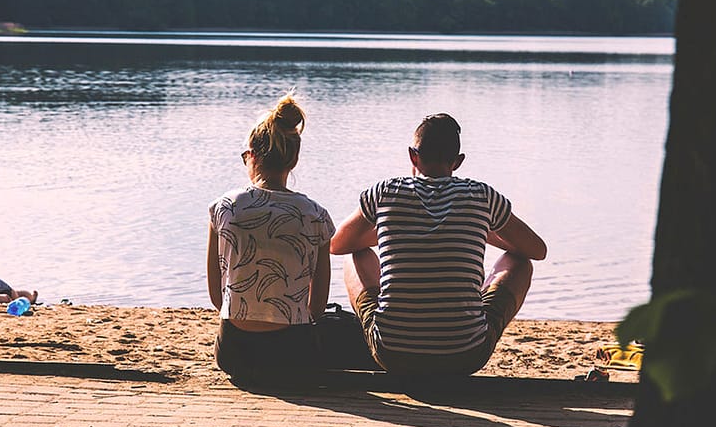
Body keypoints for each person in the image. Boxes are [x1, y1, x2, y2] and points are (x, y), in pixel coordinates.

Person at [329, 113, 547, 377]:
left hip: (392, 353)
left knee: (355, 254)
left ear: (413, 156)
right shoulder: (481, 196)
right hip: (466, 355)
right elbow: (537, 250)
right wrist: (481, 228)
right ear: (458, 162)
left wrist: (394, 227)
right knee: (520, 261)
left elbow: (338, 244)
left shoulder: (385, 192)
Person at [206, 91, 335, 384]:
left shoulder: (223, 207)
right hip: (292, 353)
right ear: (294, 159)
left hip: (233, 351)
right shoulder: (316, 215)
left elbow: (217, 297)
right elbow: (317, 307)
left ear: (251, 156)